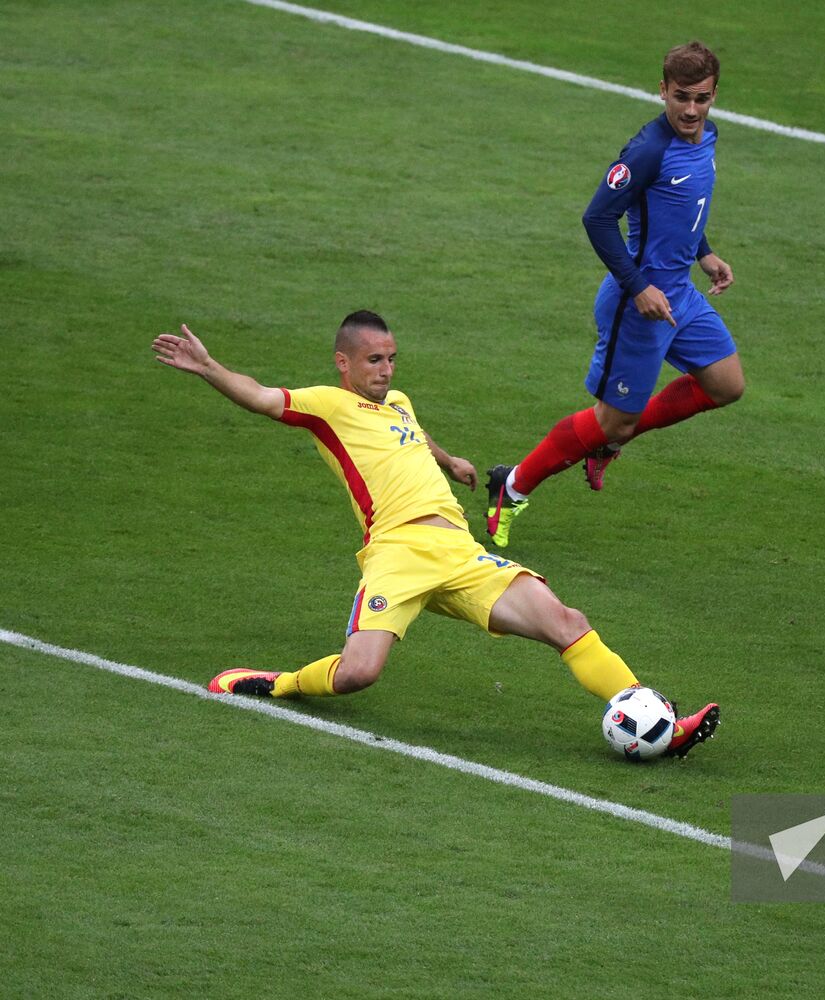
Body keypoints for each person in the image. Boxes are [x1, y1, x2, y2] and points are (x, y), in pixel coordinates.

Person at [150, 311, 719, 757]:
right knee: (358, 675)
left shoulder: (398, 403)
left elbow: (411, 435)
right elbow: (259, 395)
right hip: (396, 555)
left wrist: (451, 462)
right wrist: (210, 367)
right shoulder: (326, 406)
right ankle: (279, 685)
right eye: (374, 360)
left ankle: (657, 724)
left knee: (567, 622)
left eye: (393, 359)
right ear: (343, 363)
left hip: (457, 551)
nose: (387, 370)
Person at [486, 41, 742, 547]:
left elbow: (682, 206)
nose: (691, 110)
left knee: (726, 385)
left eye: (703, 98)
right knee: (611, 422)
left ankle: (609, 442)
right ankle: (511, 486)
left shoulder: (706, 135)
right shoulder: (647, 151)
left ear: (715, 95)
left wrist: (704, 254)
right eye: (682, 97)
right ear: (663, 90)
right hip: (639, 304)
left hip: (681, 295)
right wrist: (639, 285)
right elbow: (597, 218)